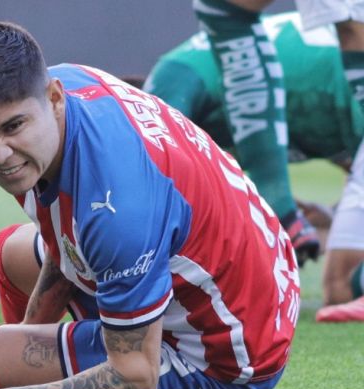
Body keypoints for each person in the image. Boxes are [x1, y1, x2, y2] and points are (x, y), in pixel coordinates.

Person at [0, 21, 300, 389]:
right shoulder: (69, 86)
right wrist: (27, 340)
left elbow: (135, 376)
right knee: (9, 251)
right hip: (255, 280)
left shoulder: (116, 207)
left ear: (53, 98)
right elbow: (66, 231)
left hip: (227, 361)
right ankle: (93, 333)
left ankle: (105, 335)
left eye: (13, 126)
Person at [152, 8, 364, 321]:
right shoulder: (182, 78)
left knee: (340, 284)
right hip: (201, 70)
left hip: (228, 65)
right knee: (340, 284)